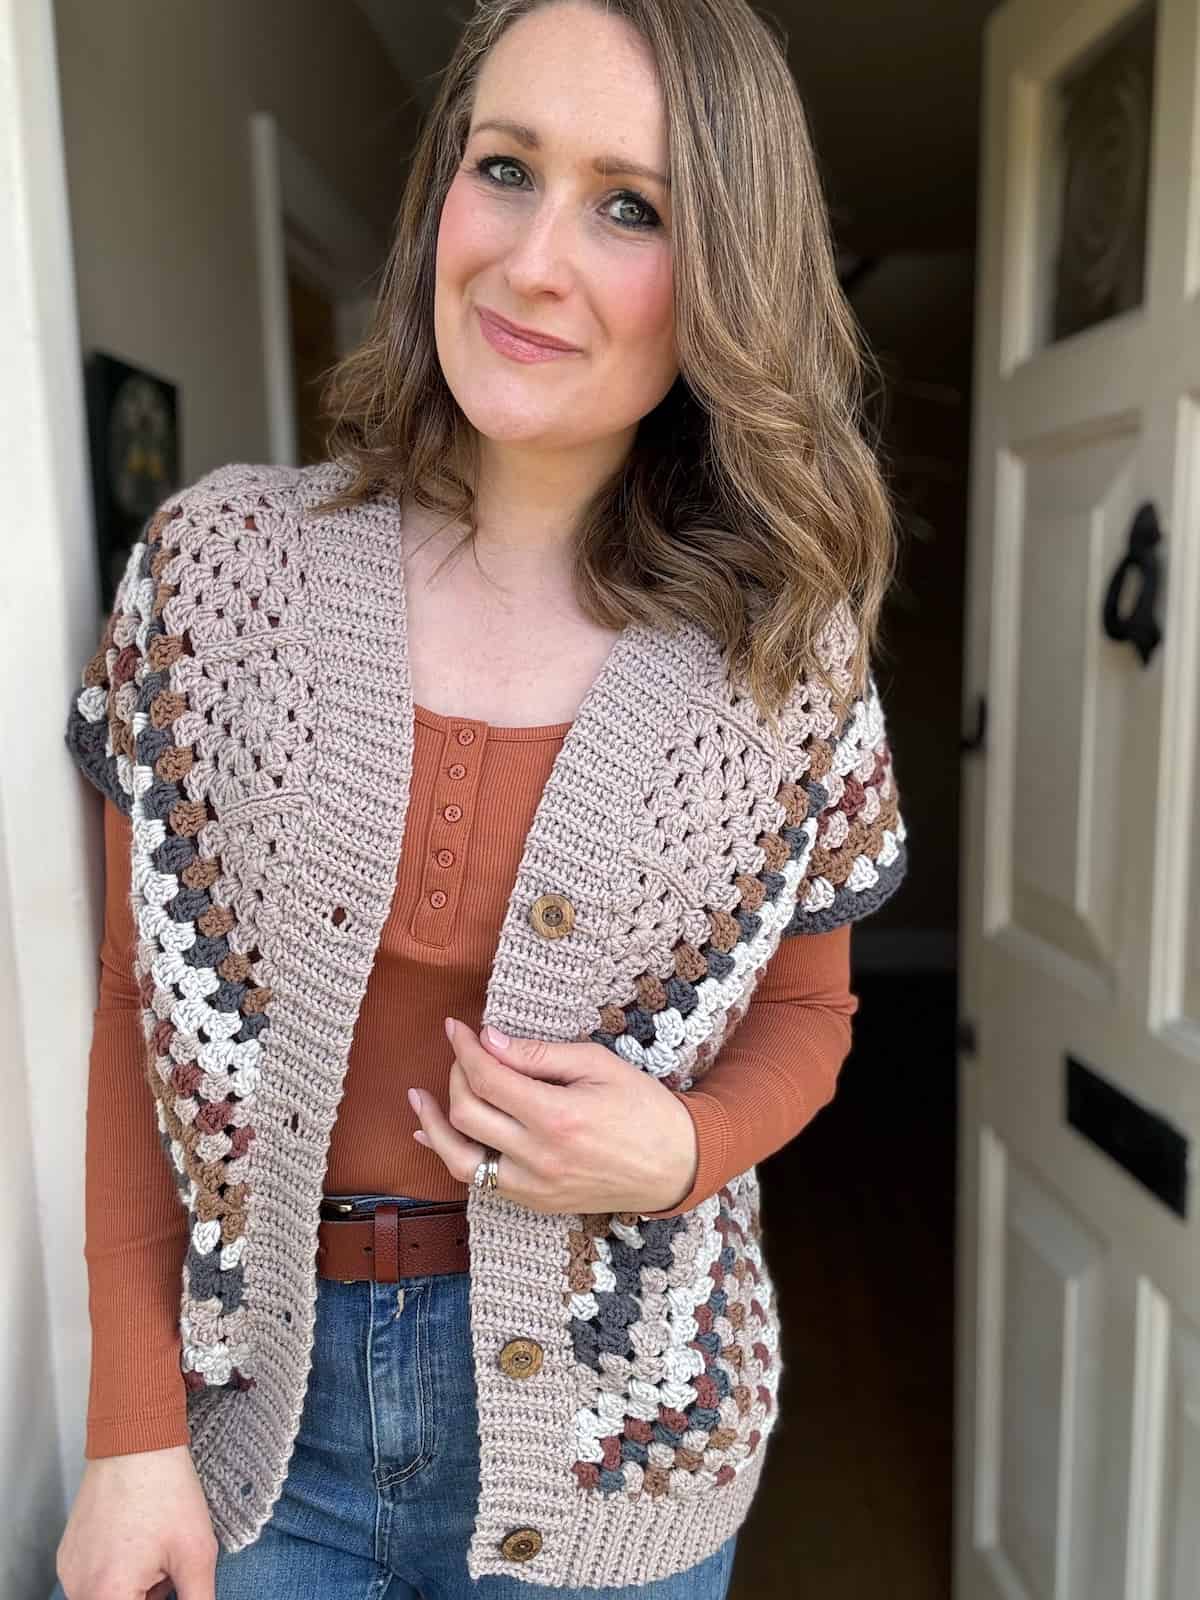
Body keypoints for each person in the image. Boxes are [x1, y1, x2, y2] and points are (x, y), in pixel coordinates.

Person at [51, 0, 909, 1595]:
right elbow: (130, 1000)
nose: (531, 261)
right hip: (255, 1419)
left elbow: (813, 1011)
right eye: (503, 168)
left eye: (631, 207)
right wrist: (126, 1429)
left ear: (729, 276)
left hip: (618, 1443)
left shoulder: (780, 659)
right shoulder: (221, 574)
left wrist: (682, 1146)